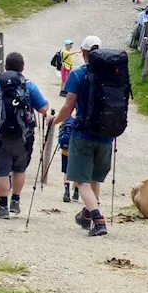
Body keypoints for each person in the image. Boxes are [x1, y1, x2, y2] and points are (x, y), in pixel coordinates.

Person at [51, 36, 113, 236]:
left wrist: (55, 121)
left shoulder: (78, 75)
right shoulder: (113, 75)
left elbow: (69, 106)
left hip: (83, 134)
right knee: (95, 178)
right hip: (106, 136)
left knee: (81, 181)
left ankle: (99, 219)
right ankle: (86, 217)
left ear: (84, 53)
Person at [0, 52, 49, 218]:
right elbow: (43, 109)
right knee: (19, 169)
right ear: (22, 68)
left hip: (0, 135)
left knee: (2, 171)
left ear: (5, 67)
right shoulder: (29, 86)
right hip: (24, 137)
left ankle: (3, 208)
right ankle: (15, 201)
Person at [57, 116, 80, 203]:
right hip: (79, 149)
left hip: (66, 148)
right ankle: (76, 192)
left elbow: (61, 128)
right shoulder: (82, 116)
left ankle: (66, 191)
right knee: (78, 170)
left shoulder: (67, 116)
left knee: (66, 170)